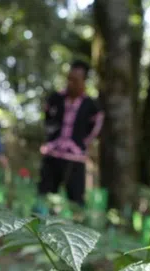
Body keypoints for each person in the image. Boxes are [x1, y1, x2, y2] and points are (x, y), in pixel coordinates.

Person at [38, 60, 104, 206]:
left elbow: (95, 129)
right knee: (43, 199)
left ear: (84, 81)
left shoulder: (91, 106)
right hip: (52, 155)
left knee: (76, 202)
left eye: (75, 80)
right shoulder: (55, 98)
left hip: (75, 159)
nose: (70, 83)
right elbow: (47, 118)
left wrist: (81, 144)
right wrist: (51, 137)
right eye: (69, 79)